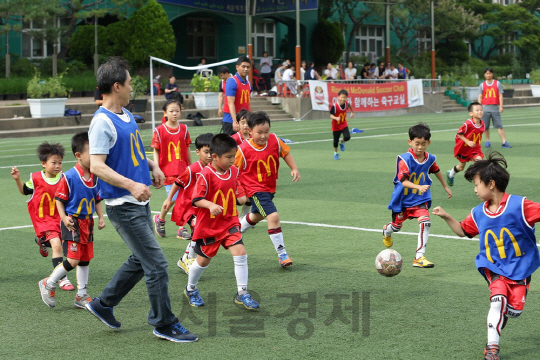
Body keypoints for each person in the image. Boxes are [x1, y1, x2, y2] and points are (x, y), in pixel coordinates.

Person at [86, 57, 197, 342]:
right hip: (123, 206)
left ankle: (103, 304)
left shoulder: (125, 114)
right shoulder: (101, 122)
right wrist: (132, 185)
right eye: (130, 83)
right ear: (116, 86)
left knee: (141, 258)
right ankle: (164, 323)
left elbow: (132, 152)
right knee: (157, 264)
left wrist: (153, 167)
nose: (133, 87)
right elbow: (97, 165)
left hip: (138, 202)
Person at [432, 152, 540, 360]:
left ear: (491, 184)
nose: (474, 190)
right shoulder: (478, 213)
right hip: (493, 266)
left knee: (513, 311)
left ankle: (498, 323)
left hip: (520, 268)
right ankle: (492, 348)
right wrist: (446, 216)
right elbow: (464, 231)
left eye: (476, 184)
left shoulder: (520, 206)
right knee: (497, 300)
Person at [183, 134, 259, 310]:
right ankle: (191, 289)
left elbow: (239, 193)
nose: (233, 160)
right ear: (215, 156)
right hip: (209, 227)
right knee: (202, 261)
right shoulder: (205, 175)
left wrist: (246, 199)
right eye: (229, 157)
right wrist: (209, 205)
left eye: (234, 156)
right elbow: (196, 199)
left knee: (240, 252)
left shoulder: (233, 171)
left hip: (229, 223)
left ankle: (242, 293)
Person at [38, 132, 106, 308]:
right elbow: (59, 200)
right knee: (73, 260)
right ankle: (49, 283)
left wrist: (100, 217)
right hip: (73, 222)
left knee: (85, 259)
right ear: (78, 155)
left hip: (88, 222)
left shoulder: (95, 176)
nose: (96, 156)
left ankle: (81, 295)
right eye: (92, 152)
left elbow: (97, 198)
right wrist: (64, 218)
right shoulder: (69, 177)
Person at [382, 122, 452, 268]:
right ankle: (386, 231)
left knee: (425, 222)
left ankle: (419, 257)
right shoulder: (404, 159)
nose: (420, 147)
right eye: (417, 143)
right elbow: (403, 181)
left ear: (429, 143)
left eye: (423, 144)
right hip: (403, 200)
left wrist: (445, 186)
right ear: (410, 142)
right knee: (396, 226)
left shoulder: (430, 158)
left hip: (420, 199)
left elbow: (436, 170)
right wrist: (418, 186)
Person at [237, 111, 301, 267]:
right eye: (259, 132)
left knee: (257, 215)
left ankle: (235, 230)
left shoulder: (274, 140)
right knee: (273, 217)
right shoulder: (243, 150)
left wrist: (294, 168)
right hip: (255, 190)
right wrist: (240, 191)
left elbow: (285, 153)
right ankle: (282, 254)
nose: (264, 136)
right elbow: (233, 171)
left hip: (269, 188)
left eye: (266, 131)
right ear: (249, 131)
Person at [11, 142, 75, 291]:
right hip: (44, 222)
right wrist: (17, 179)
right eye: (54, 163)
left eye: (60, 162)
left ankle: (42, 242)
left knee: (67, 247)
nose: (58, 166)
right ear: (43, 164)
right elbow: (25, 191)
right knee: (57, 244)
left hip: (61, 220)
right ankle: (62, 279)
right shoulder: (36, 179)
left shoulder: (65, 178)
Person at [162, 133, 213, 275]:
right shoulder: (192, 169)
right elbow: (177, 183)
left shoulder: (213, 168)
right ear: (197, 152)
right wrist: (169, 199)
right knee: (198, 229)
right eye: (206, 152)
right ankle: (187, 258)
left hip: (201, 208)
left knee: (200, 232)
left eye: (212, 152)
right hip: (188, 207)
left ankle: (185, 258)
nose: (210, 155)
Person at [152, 99, 192, 239]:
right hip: (167, 172)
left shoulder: (184, 129)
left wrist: (191, 168)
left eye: (177, 111)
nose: (175, 113)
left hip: (183, 171)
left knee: (184, 199)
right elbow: (156, 150)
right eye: (171, 111)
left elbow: (187, 149)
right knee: (174, 199)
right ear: (165, 113)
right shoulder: (159, 130)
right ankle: (160, 219)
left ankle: (181, 228)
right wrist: (157, 168)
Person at [446, 102, 485, 187]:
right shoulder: (468, 124)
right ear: (471, 113)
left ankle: (479, 183)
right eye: (477, 110)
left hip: (475, 149)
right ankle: (451, 174)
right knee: (461, 167)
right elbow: (459, 134)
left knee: (480, 163)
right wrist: (467, 142)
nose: (480, 112)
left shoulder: (482, 124)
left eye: (481, 110)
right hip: (464, 149)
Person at [478, 67, 510, 149]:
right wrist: (479, 108)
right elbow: (480, 97)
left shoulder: (497, 83)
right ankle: (488, 141)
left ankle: (504, 142)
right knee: (485, 126)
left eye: (490, 73)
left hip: (495, 107)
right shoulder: (482, 85)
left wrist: (501, 106)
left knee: (499, 125)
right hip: (485, 108)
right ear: (484, 75)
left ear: (492, 74)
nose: (488, 75)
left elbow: (500, 95)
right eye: (487, 73)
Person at [223, 56, 252, 136]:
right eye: (243, 66)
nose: (246, 69)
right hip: (231, 121)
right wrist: (234, 121)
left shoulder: (248, 83)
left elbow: (248, 103)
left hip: (244, 122)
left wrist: (252, 118)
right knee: (229, 147)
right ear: (237, 67)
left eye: (248, 67)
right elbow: (230, 102)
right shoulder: (232, 81)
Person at [330, 89, 354, 160]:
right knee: (335, 141)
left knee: (347, 137)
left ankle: (342, 142)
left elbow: (350, 106)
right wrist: (335, 118)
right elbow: (331, 115)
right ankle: (335, 153)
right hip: (336, 126)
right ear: (338, 97)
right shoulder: (335, 106)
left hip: (343, 124)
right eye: (341, 97)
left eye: (344, 97)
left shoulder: (346, 103)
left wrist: (352, 112)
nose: (343, 99)